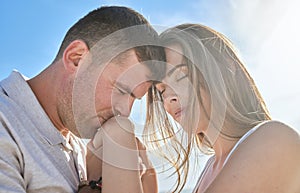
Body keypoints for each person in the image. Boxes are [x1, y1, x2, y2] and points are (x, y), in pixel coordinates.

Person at [0, 6, 165, 193]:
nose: (125, 112)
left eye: (135, 99)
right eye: (121, 90)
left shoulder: (78, 146)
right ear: (76, 58)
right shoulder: (6, 125)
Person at [144, 23, 300, 192]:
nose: (169, 97)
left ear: (226, 66)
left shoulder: (274, 137)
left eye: (182, 76)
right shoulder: (210, 168)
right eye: (162, 90)